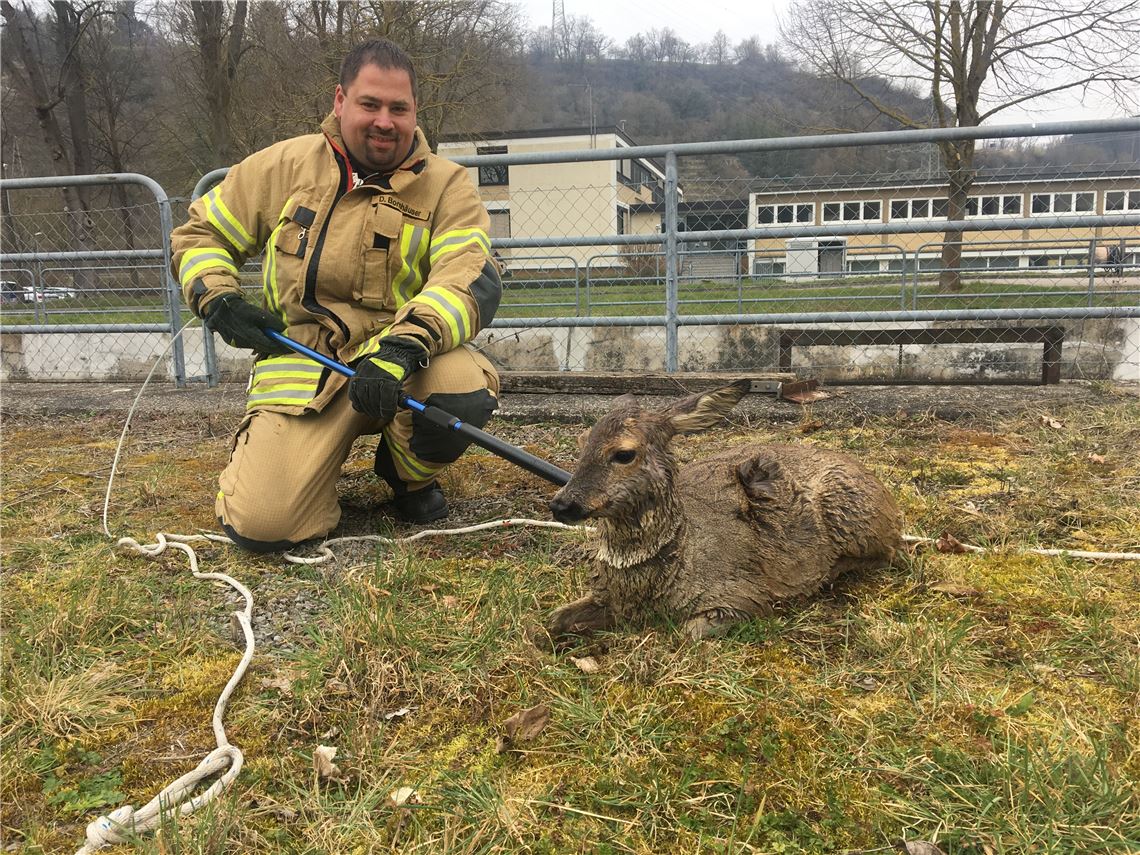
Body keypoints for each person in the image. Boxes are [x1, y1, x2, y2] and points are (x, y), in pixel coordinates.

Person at [170, 39, 502, 552]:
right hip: (304, 367)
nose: (385, 122)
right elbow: (201, 234)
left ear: (415, 111)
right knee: (264, 525)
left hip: (401, 362)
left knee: (461, 386)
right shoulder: (283, 165)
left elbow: (468, 277)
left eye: (399, 108)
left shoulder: (448, 186)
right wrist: (218, 298)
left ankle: (407, 477)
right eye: (370, 104)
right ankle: (292, 471)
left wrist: (402, 347)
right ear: (340, 101)